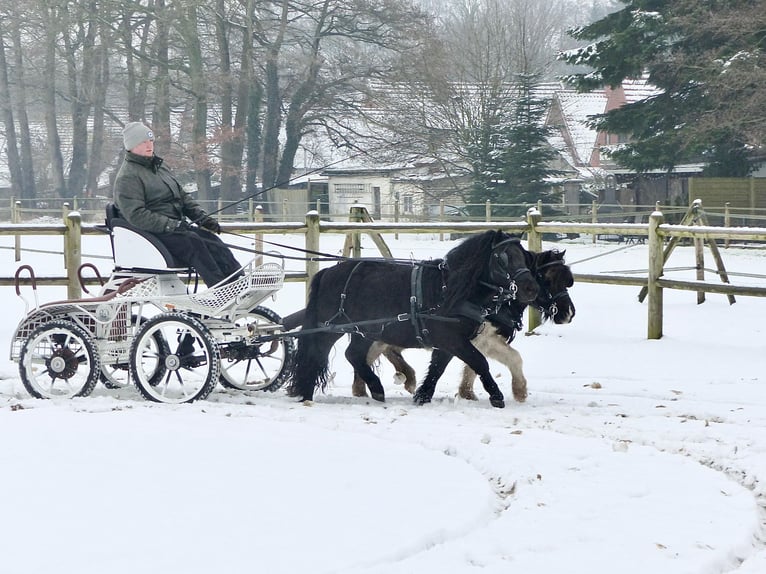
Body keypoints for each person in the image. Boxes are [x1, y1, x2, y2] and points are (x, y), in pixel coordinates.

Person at [113, 121, 243, 288]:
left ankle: (237, 281)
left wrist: (202, 218)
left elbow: (181, 197)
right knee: (193, 243)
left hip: (176, 228)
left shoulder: (160, 168)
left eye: (151, 141)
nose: (149, 145)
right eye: (143, 142)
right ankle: (219, 289)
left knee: (211, 240)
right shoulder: (128, 177)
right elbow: (136, 214)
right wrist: (170, 225)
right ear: (131, 146)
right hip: (154, 233)